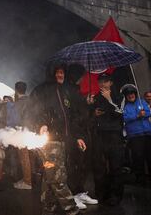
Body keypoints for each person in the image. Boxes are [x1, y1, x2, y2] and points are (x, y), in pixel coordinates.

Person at [30, 64, 83, 215]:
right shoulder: (43, 90)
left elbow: (70, 118)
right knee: (58, 175)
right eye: (58, 72)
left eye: (62, 72)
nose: (61, 75)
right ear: (52, 74)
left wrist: (77, 137)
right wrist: (41, 124)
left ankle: (48, 205)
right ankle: (71, 208)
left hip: (62, 140)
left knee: (51, 173)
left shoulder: (64, 91)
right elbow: (35, 109)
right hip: (50, 141)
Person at [65, 64, 98, 209]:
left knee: (84, 164)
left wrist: (88, 104)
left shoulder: (78, 91)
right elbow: (71, 116)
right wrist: (77, 136)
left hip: (85, 131)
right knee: (75, 164)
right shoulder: (68, 90)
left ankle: (80, 192)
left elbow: (83, 112)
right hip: (75, 134)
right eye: (81, 74)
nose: (83, 77)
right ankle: (72, 195)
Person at [91, 73, 125, 206]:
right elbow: (91, 116)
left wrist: (110, 99)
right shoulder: (96, 97)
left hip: (115, 135)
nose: (102, 84)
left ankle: (115, 195)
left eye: (105, 81)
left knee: (116, 166)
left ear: (110, 83)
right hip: (100, 135)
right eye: (100, 81)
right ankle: (101, 194)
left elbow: (120, 113)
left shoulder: (119, 96)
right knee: (99, 166)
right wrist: (92, 110)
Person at [121, 84, 151, 183]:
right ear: (126, 96)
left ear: (135, 94)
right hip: (135, 136)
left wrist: (144, 113)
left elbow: (148, 112)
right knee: (138, 157)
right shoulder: (124, 107)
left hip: (147, 133)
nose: (131, 95)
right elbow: (125, 118)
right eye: (128, 94)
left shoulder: (142, 102)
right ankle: (140, 178)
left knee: (149, 155)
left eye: (132, 93)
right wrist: (137, 115)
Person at [11, 81, 33, 190]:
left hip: (22, 132)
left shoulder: (18, 103)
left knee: (24, 157)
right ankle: (28, 178)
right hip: (32, 131)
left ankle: (27, 182)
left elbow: (15, 120)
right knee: (30, 157)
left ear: (16, 90)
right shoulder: (31, 100)